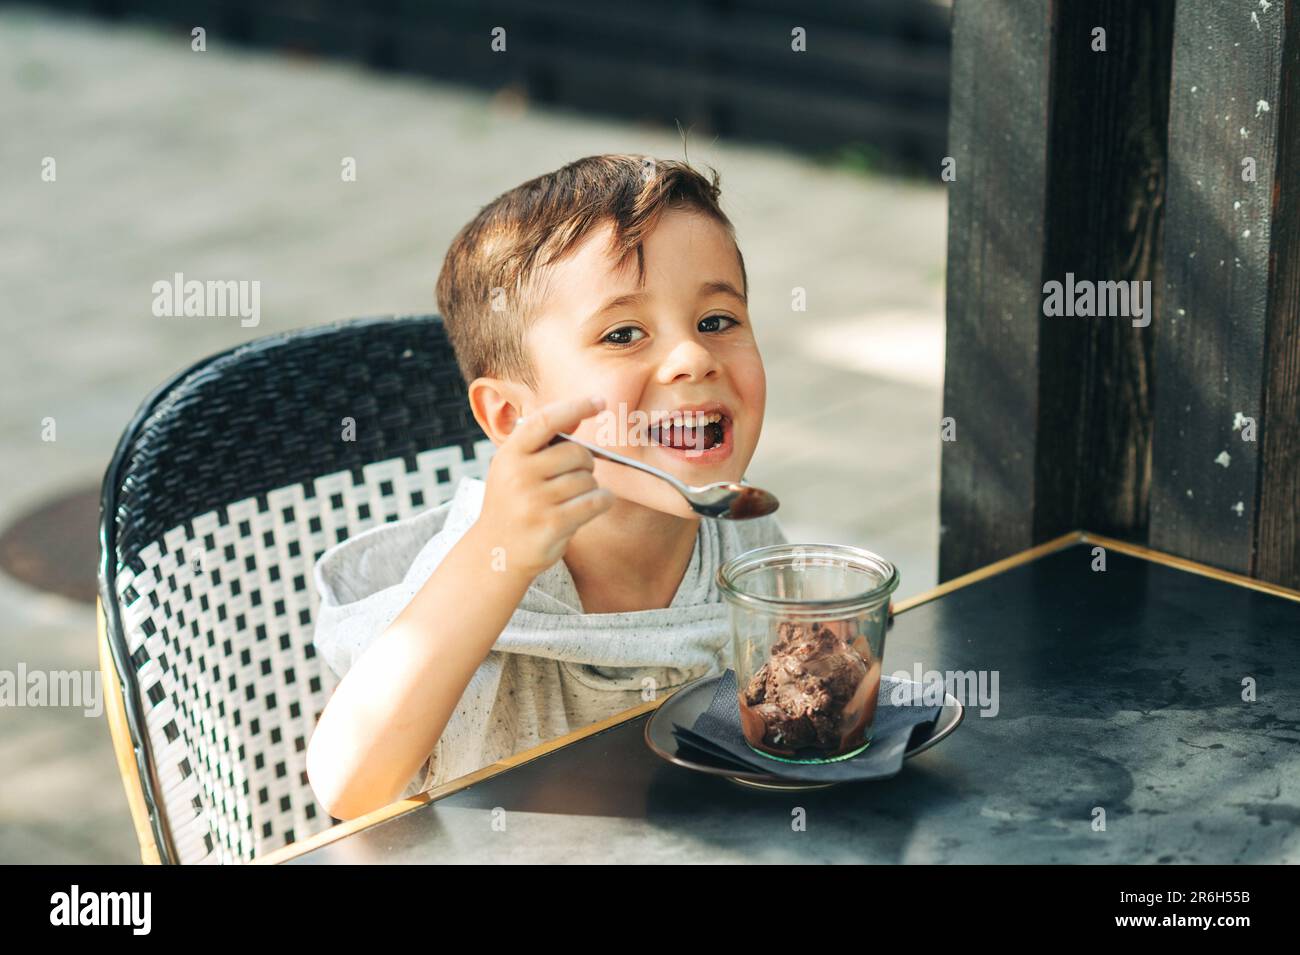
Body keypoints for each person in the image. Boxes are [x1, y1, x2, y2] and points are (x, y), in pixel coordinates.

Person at [305, 154, 786, 820]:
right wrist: (497, 553)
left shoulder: (742, 535)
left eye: (716, 321)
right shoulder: (482, 570)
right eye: (623, 333)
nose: (694, 357)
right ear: (511, 416)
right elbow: (347, 785)